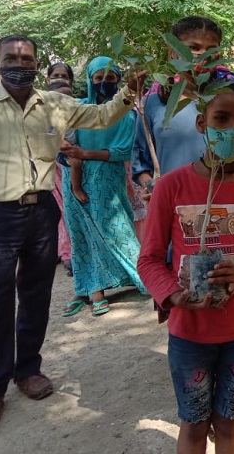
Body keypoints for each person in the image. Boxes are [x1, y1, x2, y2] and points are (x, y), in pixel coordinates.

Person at [0, 35, 143, 433]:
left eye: (26, 57)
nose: (18, 62)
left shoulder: (56, 104)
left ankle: (28, 370)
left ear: (36, 63)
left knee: (35, 295)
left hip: (43, 211)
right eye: (10, 56)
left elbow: (102, 117)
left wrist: (130, 88)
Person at [138, 82, 234, 454]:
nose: (231, 129)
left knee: (230, 421)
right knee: (193, 423)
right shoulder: (171, 186)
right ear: (200, 124)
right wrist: (173, 295)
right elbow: (149, 258)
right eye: (220, 119)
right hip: (190, 332)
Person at [132, 16, 234, 194]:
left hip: (229, 206)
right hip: (176, 206)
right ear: (173, 52)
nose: (202, 55)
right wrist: (152, 188)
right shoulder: (154, 104)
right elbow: (140, 163)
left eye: (211, 49)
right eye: (193, 47)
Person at [59, 57, 148, 318]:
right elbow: (59, 142)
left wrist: (84, 153)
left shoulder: (126, 113)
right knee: (80, 232)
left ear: (119, 80)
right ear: (89, 80)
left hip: (106, 176)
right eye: (99, 79)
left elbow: (122, 151)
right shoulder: (79, 110)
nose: (105, 83)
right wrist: (72, 155)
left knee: (114, 231)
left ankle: (143, 276)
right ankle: (86, 289)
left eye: (111, 78)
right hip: (72, 174)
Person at [47, 80, 74, 276]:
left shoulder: (81, 119)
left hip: (74, 168)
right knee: (64, 215)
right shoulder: (46, 123)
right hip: (57, 172)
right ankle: (68, 255)